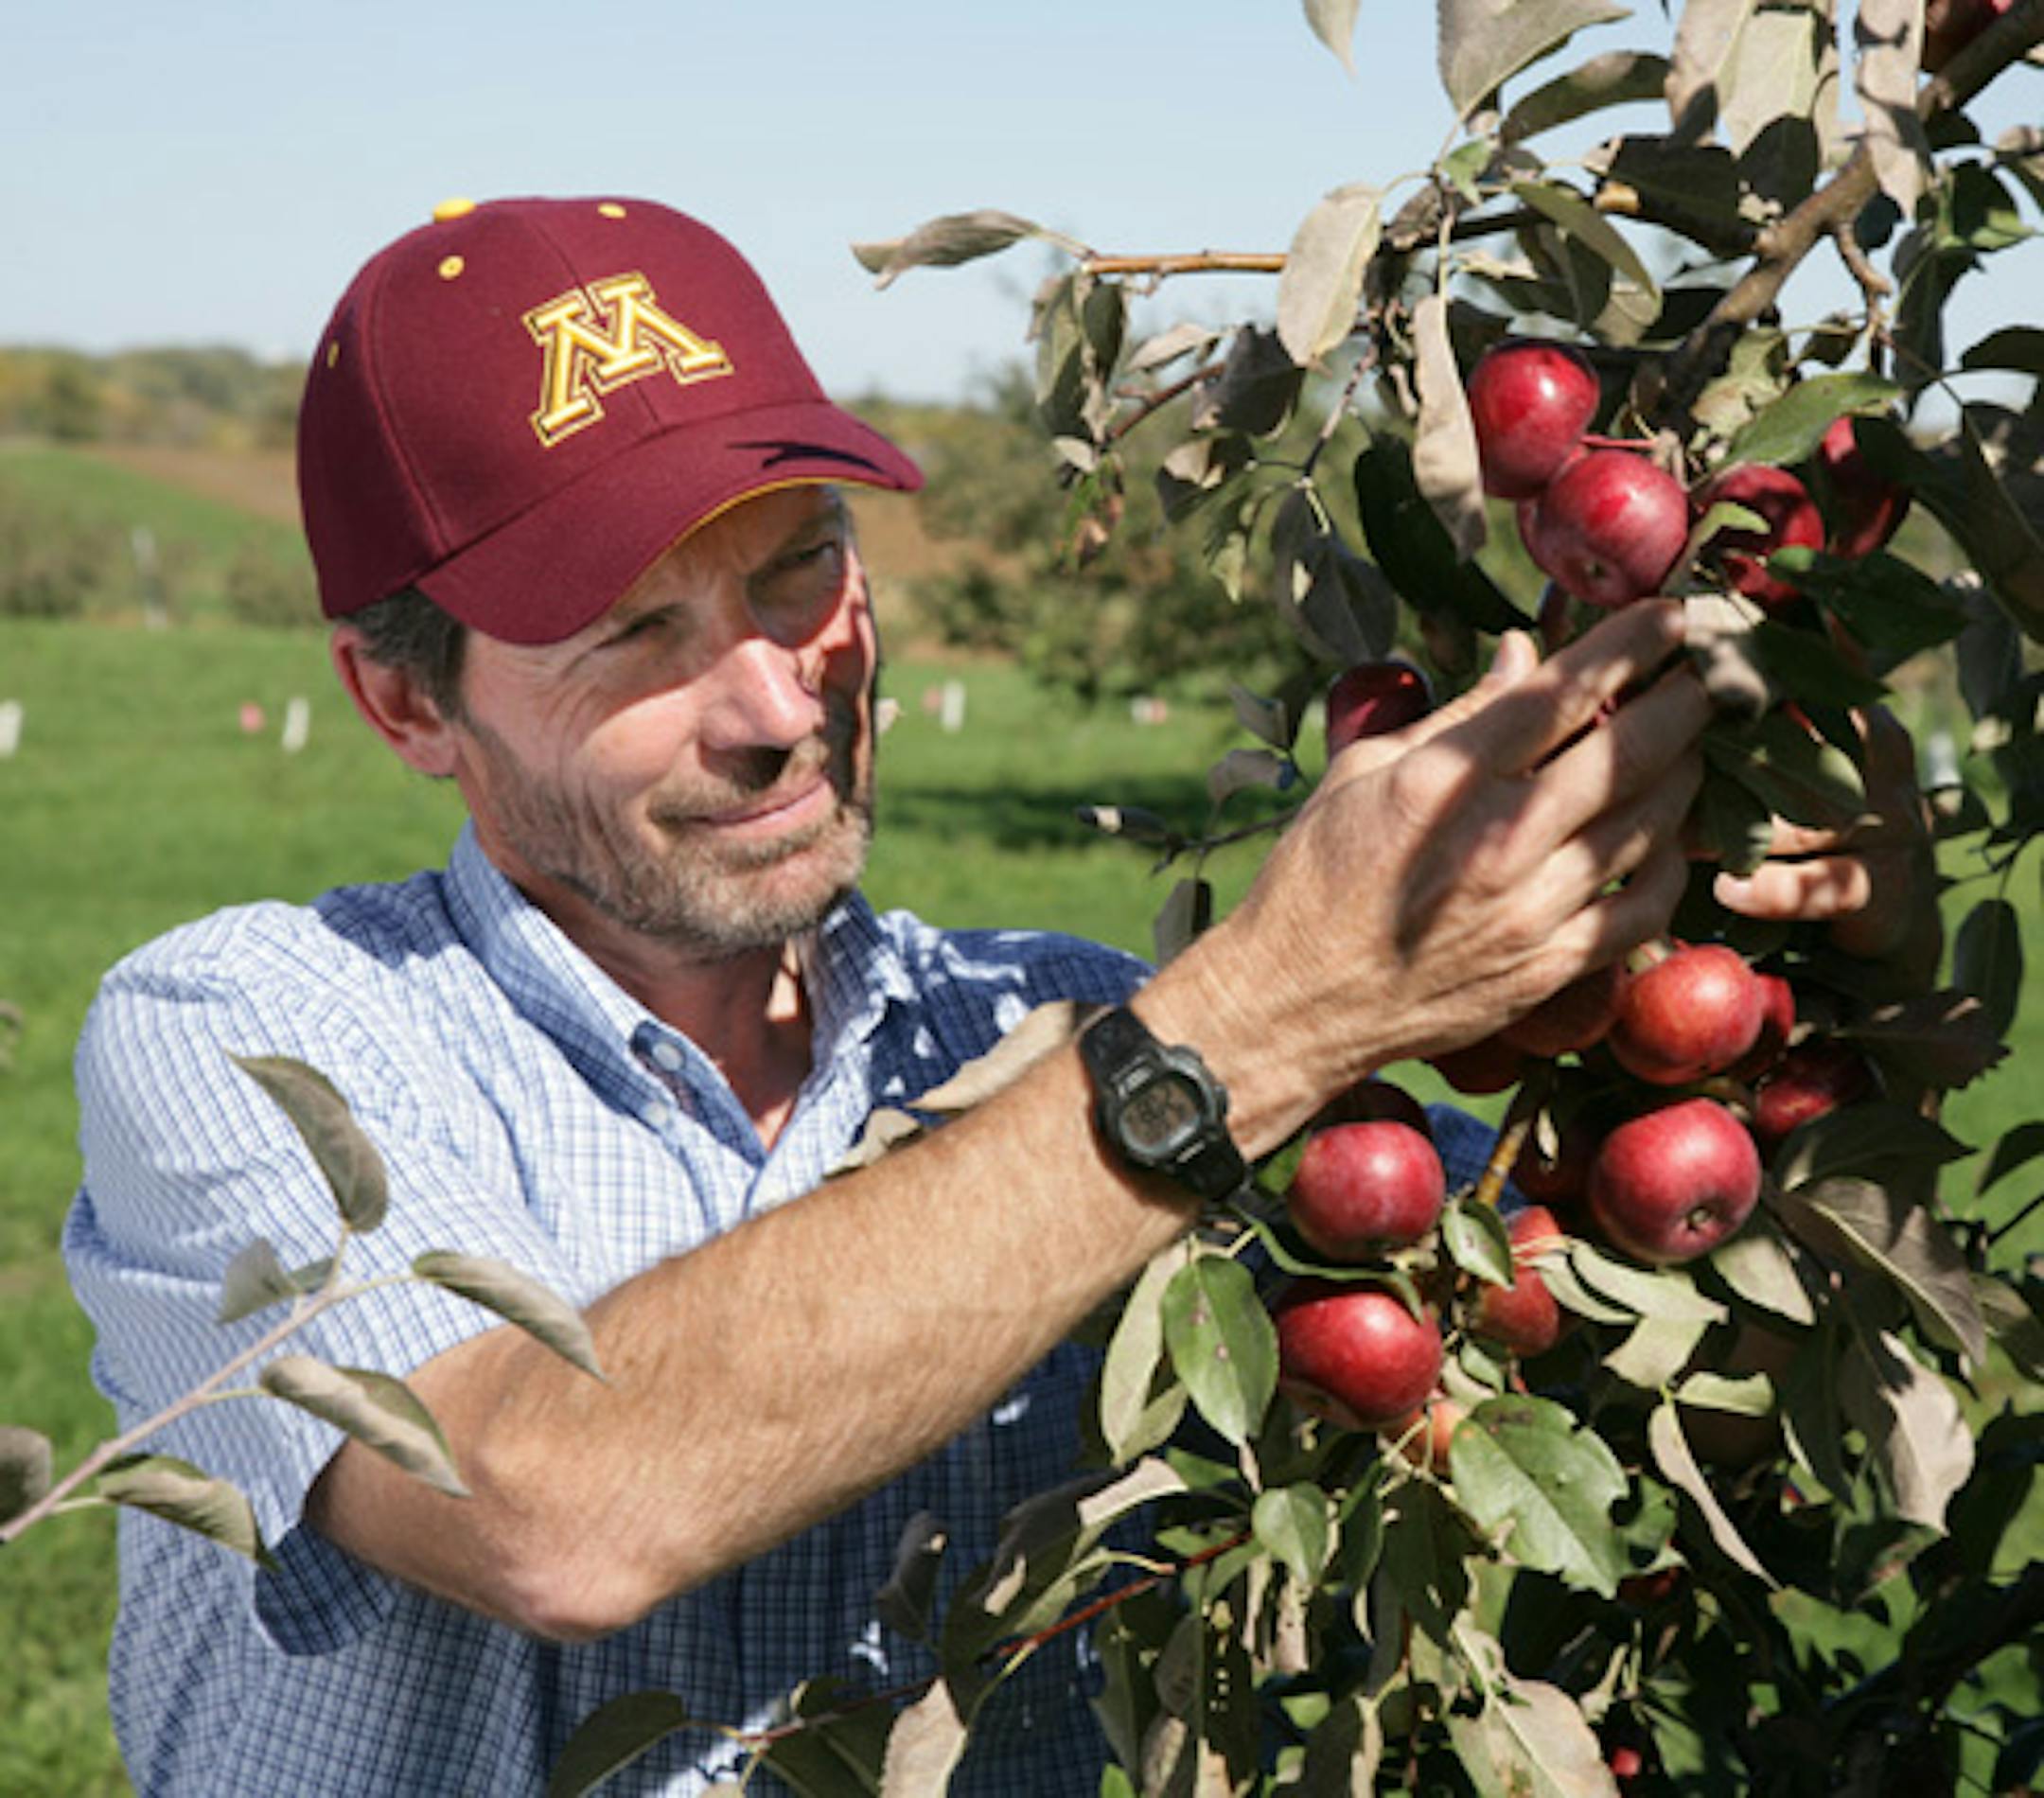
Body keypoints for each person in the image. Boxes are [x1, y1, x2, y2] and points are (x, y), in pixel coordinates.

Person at [62, 195, 1931, 1796]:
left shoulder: (1053, 1029)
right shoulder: (254, 1033)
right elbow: (548, 1497)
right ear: (405, 700)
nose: (785, 704)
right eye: (633, 631)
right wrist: (1269, 1009)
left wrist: (1843, 1002)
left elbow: (1638, 1378)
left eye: (802, 566)